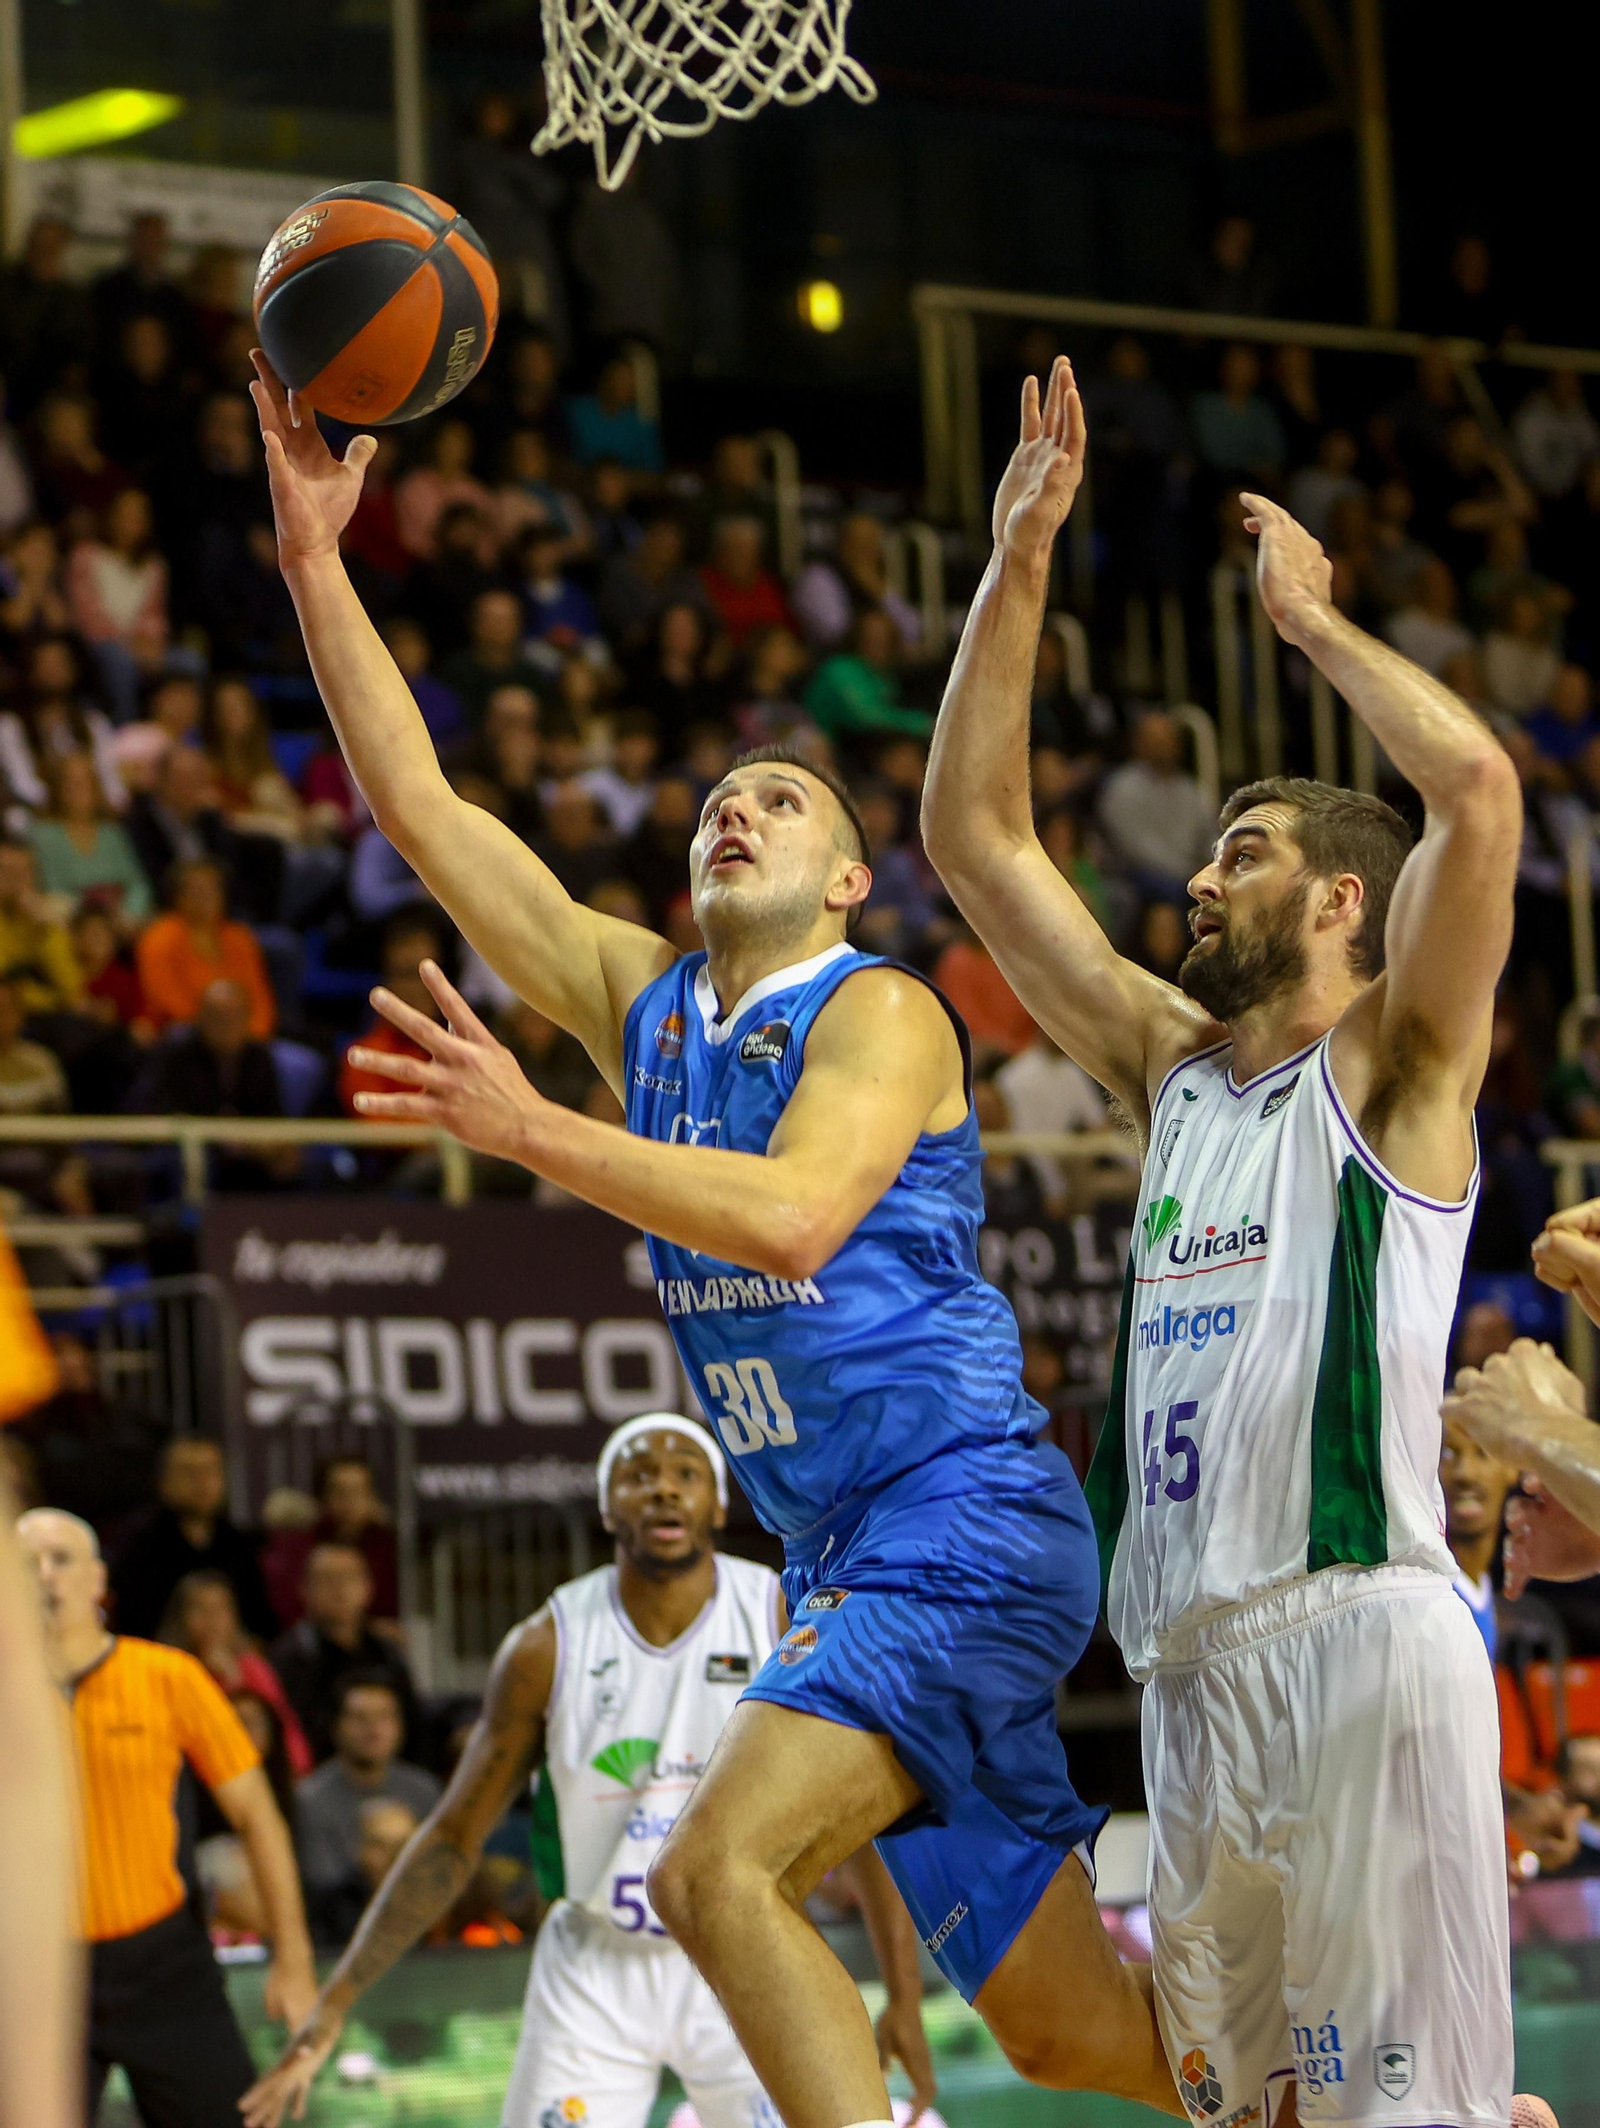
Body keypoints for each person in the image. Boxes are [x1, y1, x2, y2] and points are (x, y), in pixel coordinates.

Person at [244, 347, 1179, 2121]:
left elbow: (801, 1217)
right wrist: (314, 563)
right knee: (1073, 2034)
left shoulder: (883, 1010)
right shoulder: (646, 1004)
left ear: (846, 875)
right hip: (849, 1552)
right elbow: (431, 817)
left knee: (706, 1871)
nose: (731, 805)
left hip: (964, 1516)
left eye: (782, 799)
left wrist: (533, 1131)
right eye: (712, 801)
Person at [921, 356, 1537, 2128]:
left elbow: (1479, 796)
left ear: (1344, 900)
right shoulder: (1171, 1074)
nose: (1199, 881)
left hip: (1359, 1639)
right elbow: (974, 840)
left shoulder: (1403, 1069)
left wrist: (1320, 628)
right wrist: (1016, 559)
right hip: (1191, 1678)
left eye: (1241, 852)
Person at [244, 1416, 932, 2128]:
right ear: (607, 1508)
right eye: (639, 1475)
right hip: (596, 1968)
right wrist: (332, 2008)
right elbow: (452, 1837)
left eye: (686, 1475)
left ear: (718, 1506)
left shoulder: (782, 1618)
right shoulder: (547, 1645)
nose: (664, 1489)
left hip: (751, 1945)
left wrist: (904, 1998)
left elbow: (863, 1822)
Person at [16, 1507, 316, 2127]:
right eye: (24, 1563)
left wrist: (294, 1959)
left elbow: (258, 1817)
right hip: (35, 1978)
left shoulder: (166, 1677)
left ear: (99, 1581)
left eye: (61, 1559)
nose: (43, 1575)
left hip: (162, 1968)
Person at [111, 1434, 278, 1642]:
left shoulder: (238, 1545)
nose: (201, 1482)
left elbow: (260, 1622)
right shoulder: (139, 1544)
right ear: (163, 1481)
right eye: (189, 1472)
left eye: (209, 1470)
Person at [269, 1539, 421, 1760]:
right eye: (327, 1579)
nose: (339, 1588)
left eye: (349, 1578)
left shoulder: (386, 1652)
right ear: (304, 1589)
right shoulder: (290, 1656)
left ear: (368, 1587)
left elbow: (412, 1724)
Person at [295, 1673, 440, 1899]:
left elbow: (439, 1871)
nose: (373, 1730)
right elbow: (321, 1883)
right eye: (359, 1718)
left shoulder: (425, 1790)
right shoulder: (310, 1799)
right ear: (336, 1727)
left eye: (384, 1717)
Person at [160, 1567, 313, 1774]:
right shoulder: (167, 1670)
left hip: (254, 1774)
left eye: (221, 1608)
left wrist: (233, 1679)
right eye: (200, 1608)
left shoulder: (253, 1668)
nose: (211, 1619)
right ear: (180, 1618)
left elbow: (287, 1739)